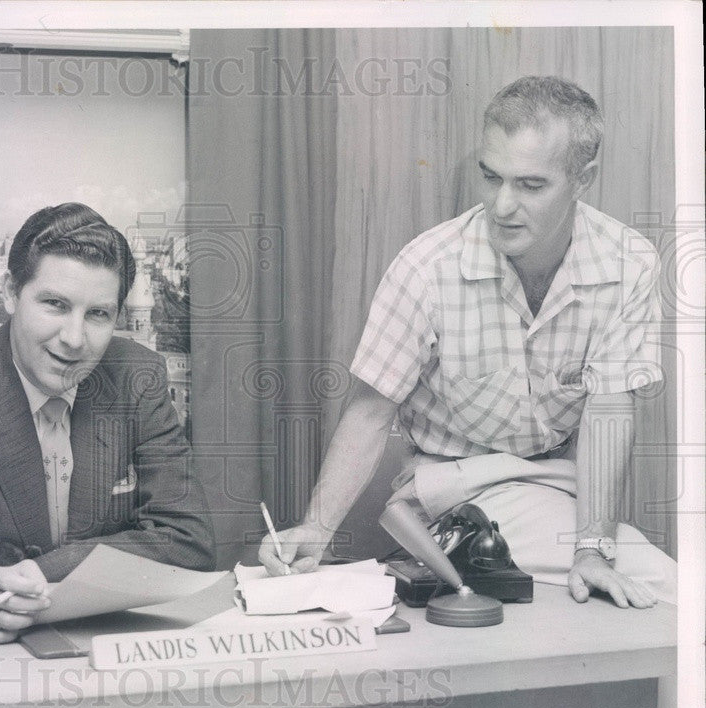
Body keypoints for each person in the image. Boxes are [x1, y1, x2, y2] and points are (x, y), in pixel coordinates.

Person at [259, 76, 677, 608]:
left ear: (583, 178)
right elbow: (370, 412)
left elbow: (608, 411)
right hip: (446, 488)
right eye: (491, 176)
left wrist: (593, 547)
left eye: (530, 185)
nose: (503, 205)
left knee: (608, 593)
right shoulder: (426, 266)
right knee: (665, 588)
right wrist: (314, 533)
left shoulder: (629, 263)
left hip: (550, 482)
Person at [0, 203, 214, 643]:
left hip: (109, 648)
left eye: (98, 314)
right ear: (10, 293)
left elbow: (187, 538)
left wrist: (37, 574)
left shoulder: (140, 378)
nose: (75, 340)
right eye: (55, 305)